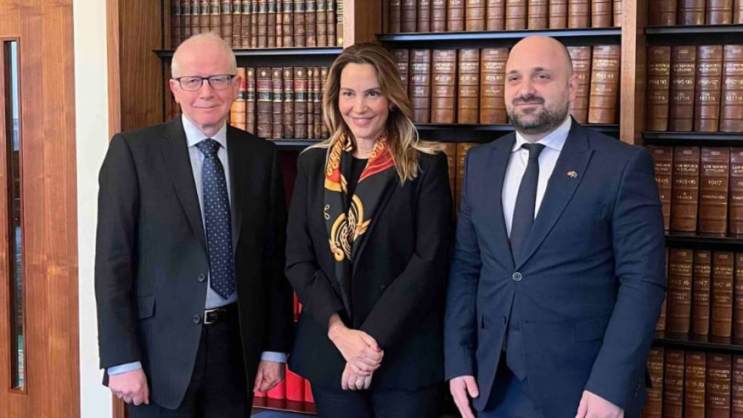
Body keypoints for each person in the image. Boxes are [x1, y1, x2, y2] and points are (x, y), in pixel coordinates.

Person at [444, 35, 666, 418]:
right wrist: (458, 360)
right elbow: (466, 268)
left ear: (573, 87)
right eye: (514, 78)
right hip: (492, 385)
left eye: (542, 76)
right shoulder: (480, 163)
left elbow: (642, 282)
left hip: (584, 391)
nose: (525, 89)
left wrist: (610, 386)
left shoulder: (621, 165)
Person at [95, 33, 293, 418]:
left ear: (238, 85)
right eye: (193, 80)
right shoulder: (133, 152)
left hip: (236, 350)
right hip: (156, 353)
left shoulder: (261, 157)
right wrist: (120, 360)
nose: (206, 92)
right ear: (174, 89)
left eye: (219, 79)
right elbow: (112, 263)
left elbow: (273, 261)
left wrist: (273, 349)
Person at [285, 43, 453, 418]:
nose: (358, 107)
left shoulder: (426, 165)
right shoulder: (313, 164)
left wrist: (368, 346)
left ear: (391, 99)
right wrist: (340, 334)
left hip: (405, 354)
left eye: (372, 93)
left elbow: (428, 264)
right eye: (348, 93)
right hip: (331, 350)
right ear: (335, 98)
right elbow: (298, 260)